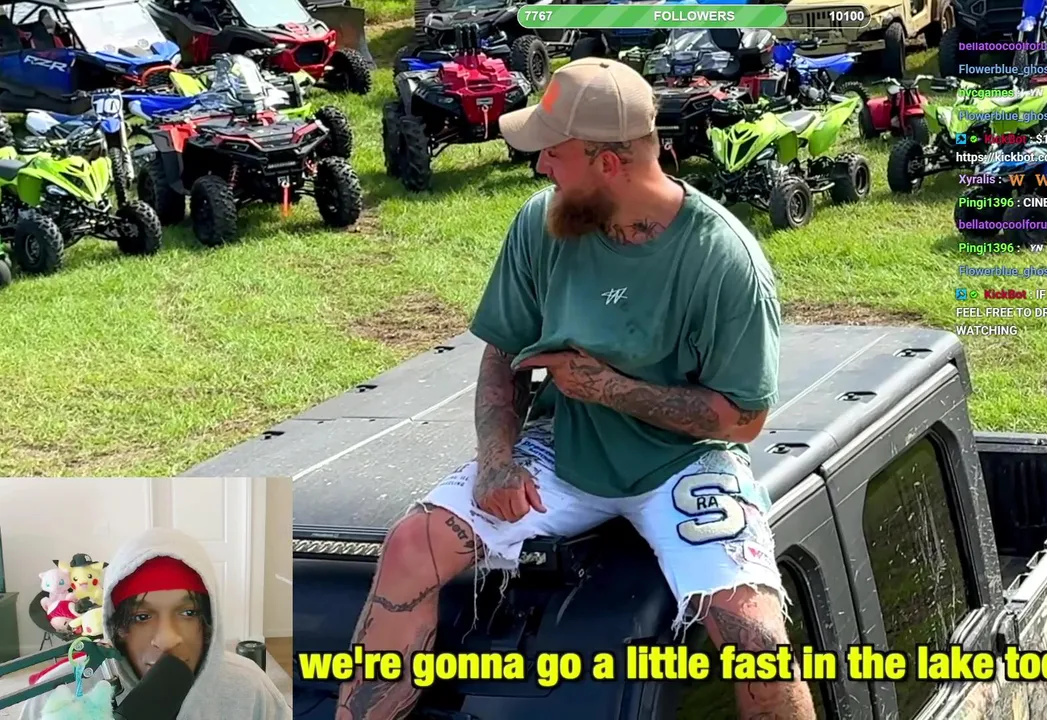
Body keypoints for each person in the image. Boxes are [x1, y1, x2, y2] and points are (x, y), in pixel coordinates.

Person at [335, 58, 816, 720]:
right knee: (410, 546)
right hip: (562, 447)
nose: (539, 167)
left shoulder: (724, 260)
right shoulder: (542, 223)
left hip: (682, 463)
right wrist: (496, 461)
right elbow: (502, 355)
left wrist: (608, 388)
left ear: (607, 163)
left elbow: (742, 420)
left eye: (553, 153)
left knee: (755, 636)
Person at [19, 527, 291, 720]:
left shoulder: (249, 689)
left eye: (188, 613)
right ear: (115, 626)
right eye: (142, 617)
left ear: (209, 620)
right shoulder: (59, 697)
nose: (167, 639)